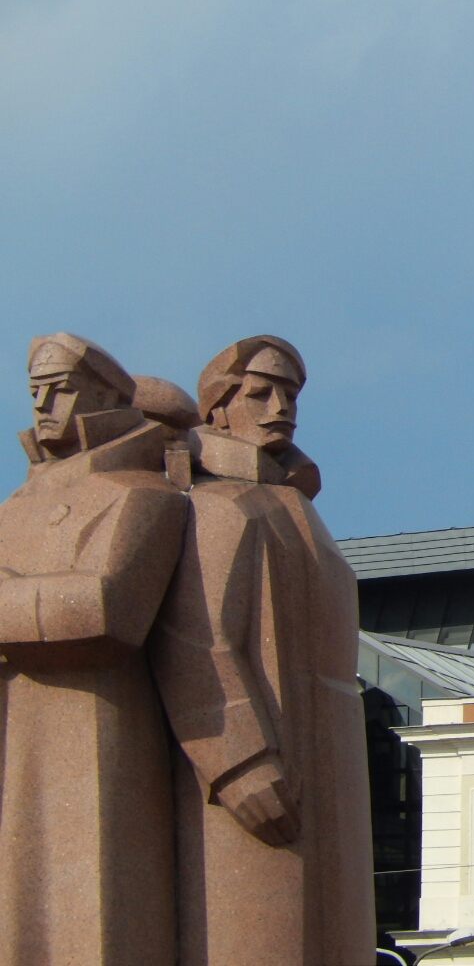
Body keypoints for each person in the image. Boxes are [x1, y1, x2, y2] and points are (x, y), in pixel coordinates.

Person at [149, 335, 374, 965]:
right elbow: (197, 637)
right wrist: (240, 761)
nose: (282, 406)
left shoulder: (291, 503)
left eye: (291, 393)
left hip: (326, 756)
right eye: (261, 392)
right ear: (218, 407)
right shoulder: (218, 503)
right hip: (262, 762)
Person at [0, 333, 187, 964]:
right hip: (18, 725)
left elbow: (108, 610)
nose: (43, 404)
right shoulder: (14, 507)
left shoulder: (142, 494)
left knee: (97, 908)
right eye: (34, 391)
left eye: (61, 388)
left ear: (107, 395)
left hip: (100, 728)